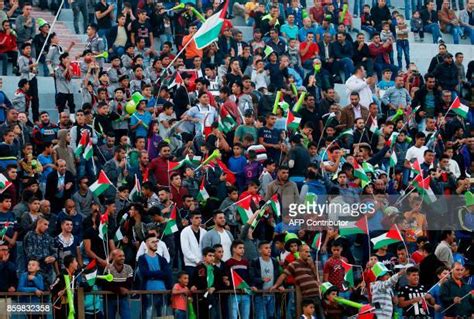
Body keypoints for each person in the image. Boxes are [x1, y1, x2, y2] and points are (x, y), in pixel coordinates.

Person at [138, 234, 173, 319]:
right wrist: (159, 273)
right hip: (148, 292)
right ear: (146, 244)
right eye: (152, 242)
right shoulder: (142, 258)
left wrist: (152, 274)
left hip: (163, 291)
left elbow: (167, 274)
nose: (155, 244)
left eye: (156, 241)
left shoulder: (162, 259)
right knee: (147, 315)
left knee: (162, 316)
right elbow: (144, 273)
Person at [103, 249, 133, 319]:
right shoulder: (108, 268)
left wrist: (115, 286)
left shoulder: (128, 268)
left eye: (123, 256)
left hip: (123, 299)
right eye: (120, 256)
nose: (123, 258)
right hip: (110, 299)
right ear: (113, 257)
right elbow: (107, 285)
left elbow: (129, 283)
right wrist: (119, 289)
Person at [180, 210, 207, 276]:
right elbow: (185, 249)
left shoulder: (204, 232)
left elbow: (206, 248)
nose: (199, 220)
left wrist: (203, 261)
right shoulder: (185, 231)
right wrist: (196, 260)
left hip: (203, 264)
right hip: (190, 264)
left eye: (200, 218)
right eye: (196, 218)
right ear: (191, 220)